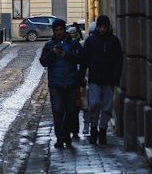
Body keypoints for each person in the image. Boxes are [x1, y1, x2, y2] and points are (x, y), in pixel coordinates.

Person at [39, 18, 82, 150]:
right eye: (56, 30)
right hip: (56, 84)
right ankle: (59, 138)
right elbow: (43, 62)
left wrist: (66, 54)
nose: (59, 32)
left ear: (65, 30)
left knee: (70, 112)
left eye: (61, 30)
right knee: (57, 111)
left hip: (70, 83)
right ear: (53, 31)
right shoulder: (49, 45)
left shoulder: (73, 44)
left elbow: (81, 58)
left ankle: (67, 134)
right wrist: (53, 53)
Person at [80, 13, 123, 144]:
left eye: (104, 27)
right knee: (94, 103)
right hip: (95, 78)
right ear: (97, 27)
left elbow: (118, 60)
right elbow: (85, 60)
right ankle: (94, 128)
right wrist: (81, 76)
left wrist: (116, 77)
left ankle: (102, 130)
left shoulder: (114, 41)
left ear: (108, 27)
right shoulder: (91, 41)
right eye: (100, 27)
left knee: (107, 106)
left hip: (109, 80)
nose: (102, 29)